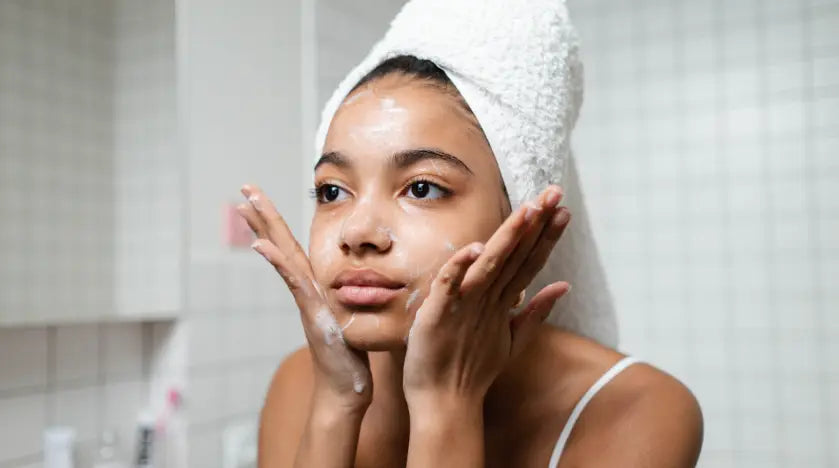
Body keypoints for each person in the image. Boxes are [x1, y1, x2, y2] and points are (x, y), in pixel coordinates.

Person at [242, 1, 702, 466]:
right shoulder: (303, 385)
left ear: (523, 219)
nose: (357, 232)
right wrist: (336, 406)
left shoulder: (633, 410)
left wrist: (446, 403)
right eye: (332, 191)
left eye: (421, 187)